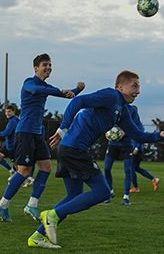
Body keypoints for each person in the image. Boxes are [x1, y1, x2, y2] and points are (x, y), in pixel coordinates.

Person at [27, 70, 164, 249]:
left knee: (74, 195)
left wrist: (160, 135)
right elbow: (78, 100)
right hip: (74, 149)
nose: (138, 91)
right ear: (120, 87)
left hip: (69, 149)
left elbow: (138, 134)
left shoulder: (122, 111)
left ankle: (38, 236)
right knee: (103, 192)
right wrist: (62, 128)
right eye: (134, 86)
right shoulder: (111, 95)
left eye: (139, 87)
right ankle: (52, 215)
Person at [0, 53, 85, 222]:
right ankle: (3, 204)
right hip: (25, 132)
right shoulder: (29, 83)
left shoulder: (46, 86)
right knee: (24, 172)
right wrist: (58, 91)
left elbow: (66, 94)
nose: (48, 67)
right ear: (36, 68)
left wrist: (79, 89)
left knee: (46, 168)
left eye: (50, 65)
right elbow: (38, 90)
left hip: (37, 134)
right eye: (45, 65)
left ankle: (32, 205)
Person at [103, 105, 141, 205]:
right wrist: (106, 132)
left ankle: (126, 197)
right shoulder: (113, 108)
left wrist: (135, 145)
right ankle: (109, 192)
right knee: (106, 168)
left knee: (127, 170)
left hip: (127, 145)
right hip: (112, 145)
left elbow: (138, 128)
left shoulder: (132, 110)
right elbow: (106, 122)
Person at [129, 106, 160, 193]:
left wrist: (136, 148)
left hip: (137, 149)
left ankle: (135, 188)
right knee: (136, 168)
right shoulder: (135, 123)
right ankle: (153, 179)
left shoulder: (137, 125)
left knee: (131, 168)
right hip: (137, 149)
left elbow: (140, 137)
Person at [0, 105, 19, 180]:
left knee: (17, 165)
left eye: (9, 111)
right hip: (8, 145)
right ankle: (12, 171)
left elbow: (6, 133)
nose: (7, 113)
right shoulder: (14, 120)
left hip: (12, 146)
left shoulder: (13, 121)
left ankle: (28, 179)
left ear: (13, 112)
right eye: (6, 112)